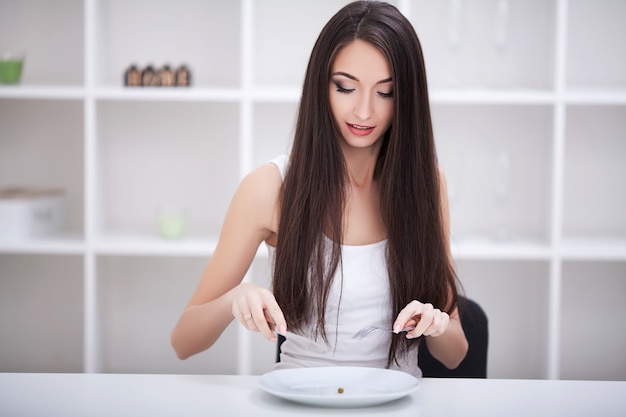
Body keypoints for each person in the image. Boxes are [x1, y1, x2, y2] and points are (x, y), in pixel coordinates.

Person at [171, 1, 468, 377]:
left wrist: (437, 323)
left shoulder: (426, 184)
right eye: (345, 87)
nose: (363, 111)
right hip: (302, 399)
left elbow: (455, 353)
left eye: (386, 92)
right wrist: (235, 298)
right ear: (321, 85)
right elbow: (183, 341)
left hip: (397, 402)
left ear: (407, 98)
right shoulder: (270, 188)